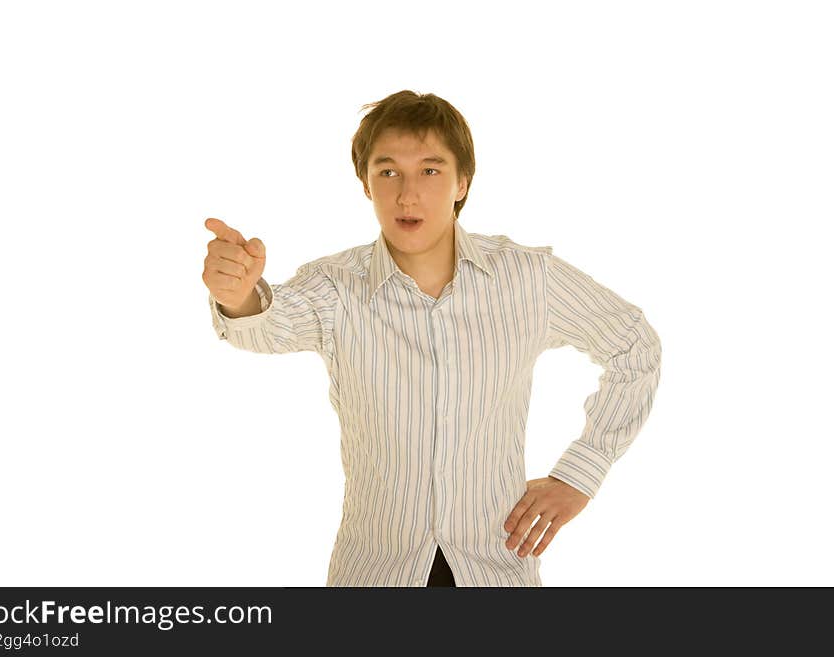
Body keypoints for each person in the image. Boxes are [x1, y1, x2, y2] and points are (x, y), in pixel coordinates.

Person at [201, 90, 662, 587]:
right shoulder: (337, 286)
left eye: (431, 170)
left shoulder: (529, 278)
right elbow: (267, 323)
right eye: (388, 171)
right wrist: (239, 293)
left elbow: (634, 345)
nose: (407, 194)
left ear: (462, 182)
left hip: (495, 570)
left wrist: (579, 474)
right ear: (365, 184)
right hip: (374, 574)